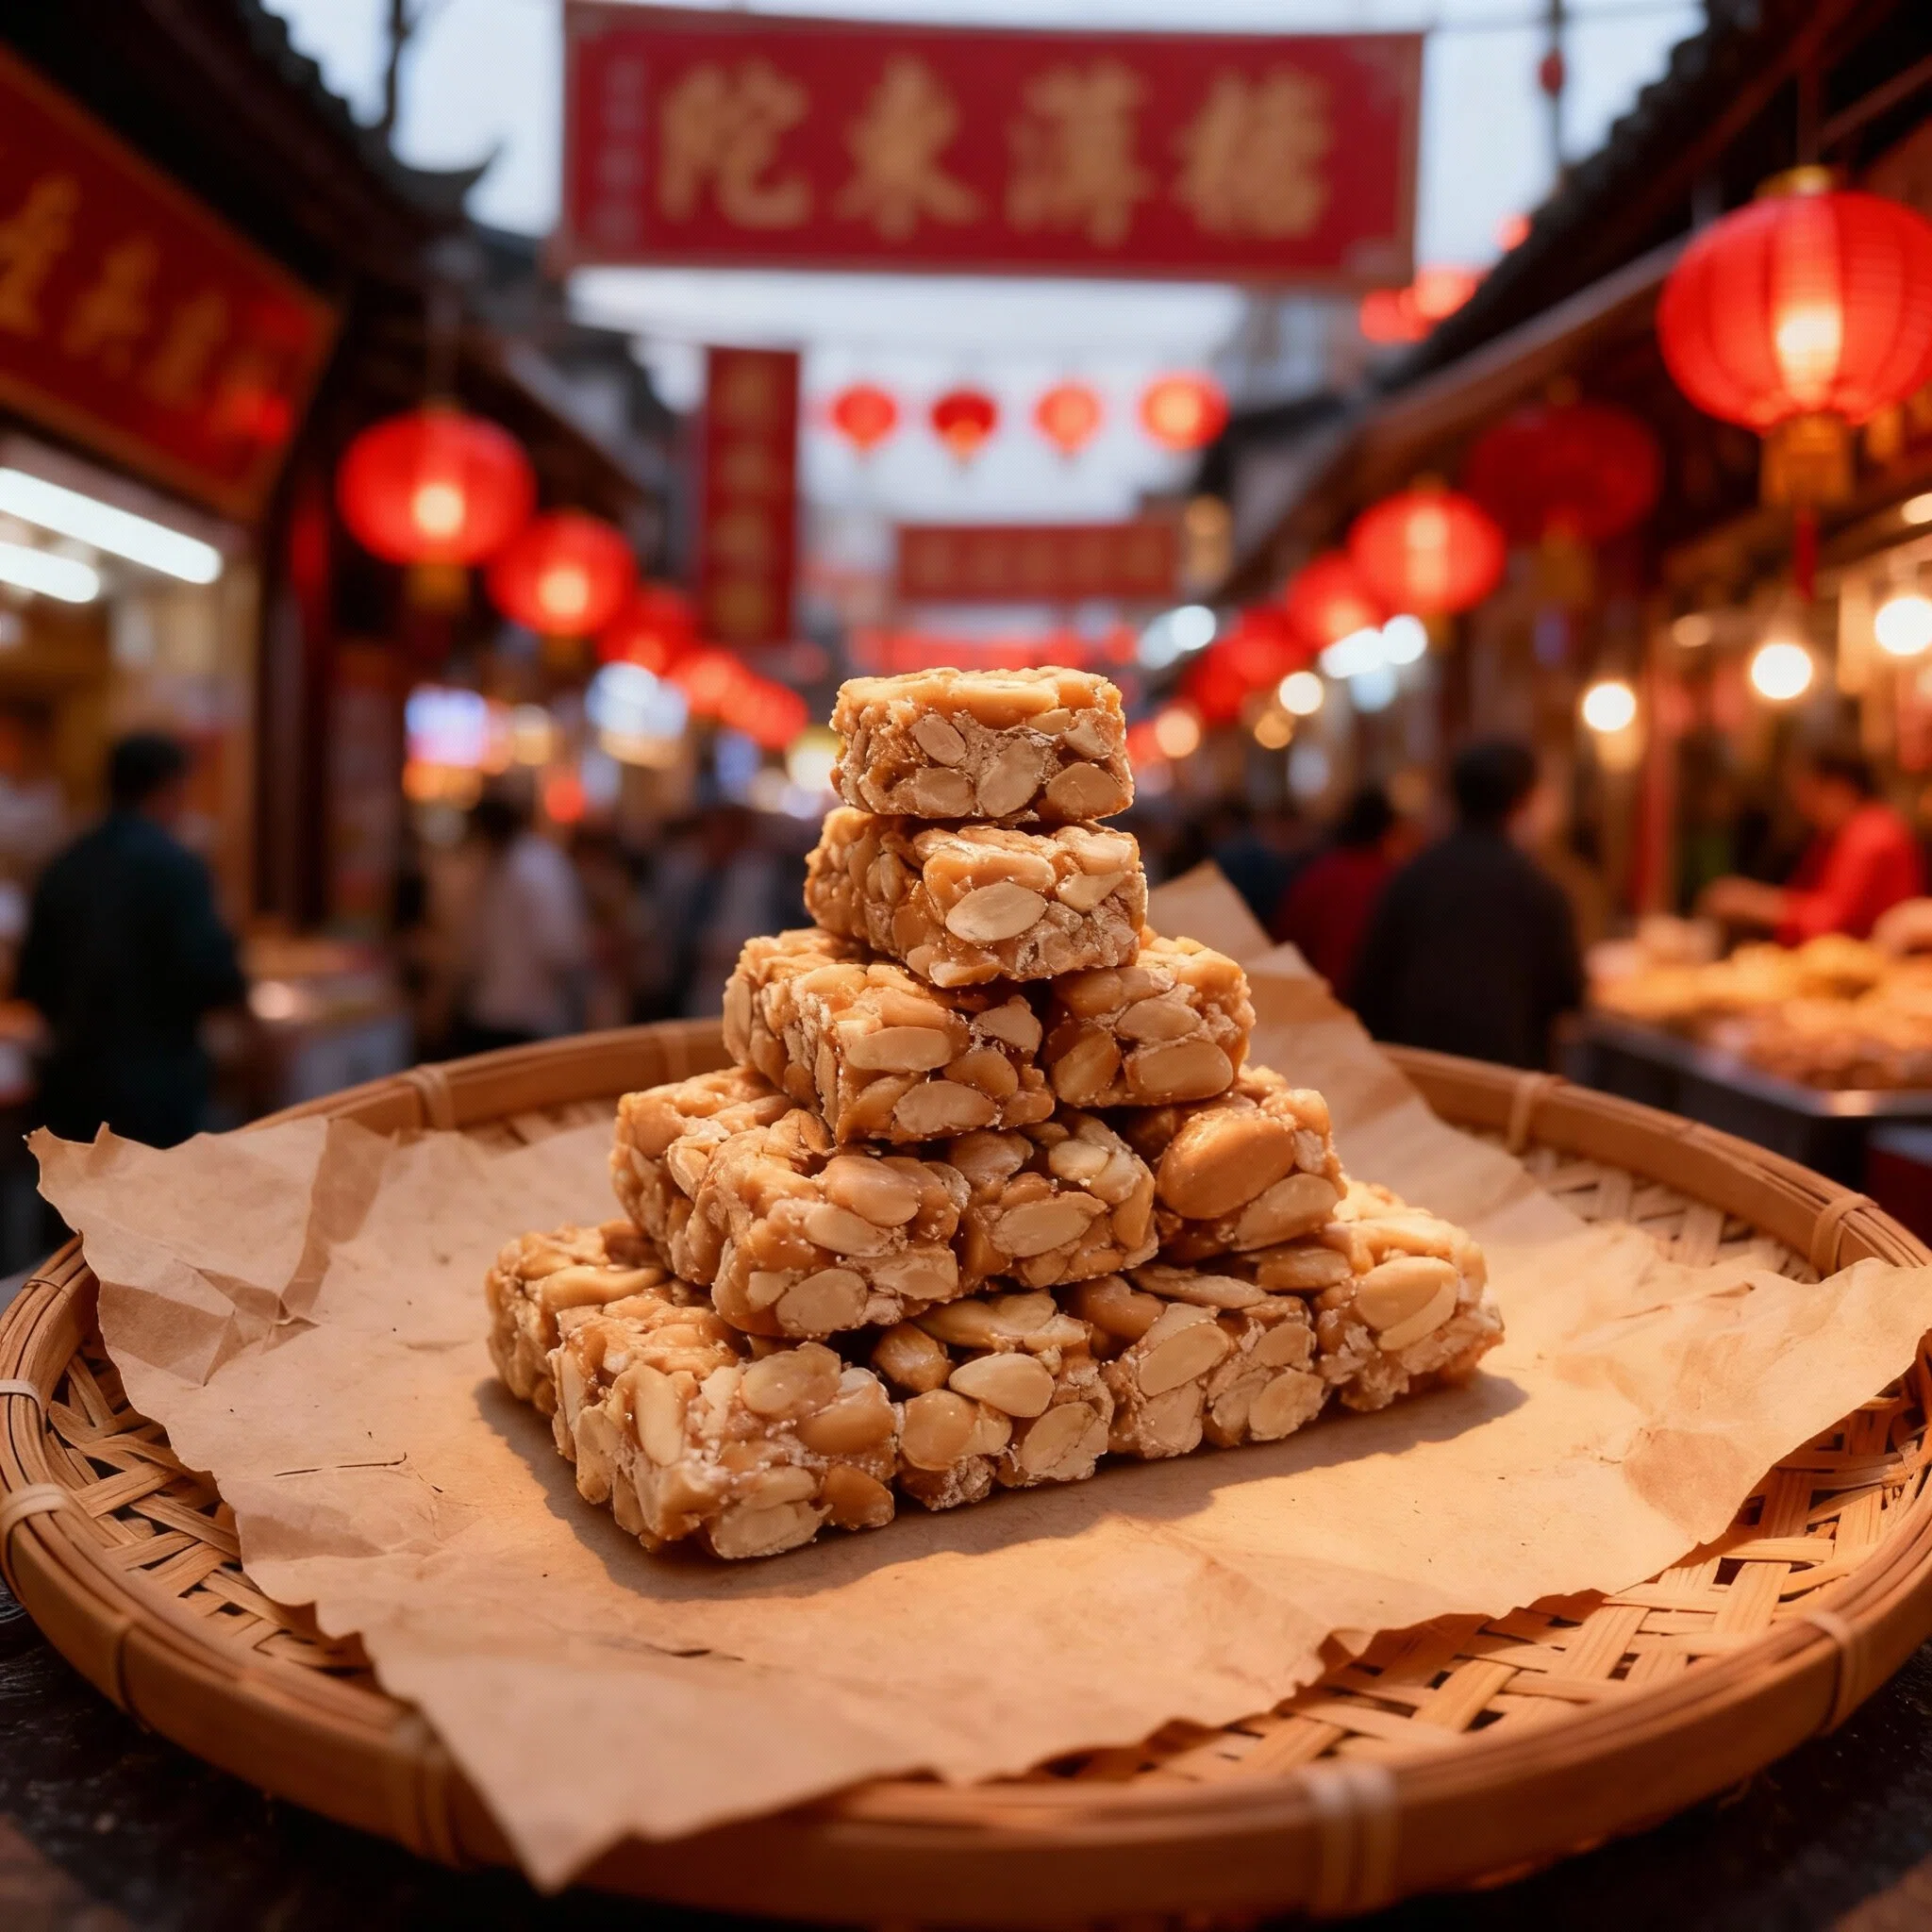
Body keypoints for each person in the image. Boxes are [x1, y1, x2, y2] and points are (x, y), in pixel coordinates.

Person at [18, 732, 245, 1147]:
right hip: (157, 1091)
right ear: (170, 787)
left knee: (74, 1208)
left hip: (71, 1085)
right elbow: (216, 977)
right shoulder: (178, 867)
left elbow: (32, 979)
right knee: (152, 1207)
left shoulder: (64, 865)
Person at [1350, 740, 1583, 1069]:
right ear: (1524, 801)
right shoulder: (1539, 888)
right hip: (1508, 1080)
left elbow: (1369, 984)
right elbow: (1568, 993)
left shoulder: (1413, 877)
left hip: (1415, 1073)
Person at [1699, 745, 1923, 942]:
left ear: (1840, 787)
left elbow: (1835, 922)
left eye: (1810, 793)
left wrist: (1756, 904)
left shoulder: (1871, 835)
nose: (1804, 807)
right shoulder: (1841, 834)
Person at [448, 789, 590, 1054]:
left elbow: (560, 948)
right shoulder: (528, 864)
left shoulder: (533, 866)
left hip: (529, 1016)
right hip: (503, 1012)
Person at [1271, 786, 1407, 991]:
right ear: (1387, 830)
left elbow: (1286, 940)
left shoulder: (1320, 875)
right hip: (1370, 1003)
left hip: (1317, 1000)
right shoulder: (1394, 880)